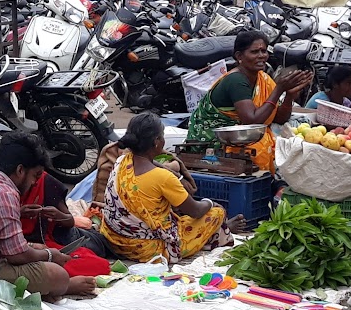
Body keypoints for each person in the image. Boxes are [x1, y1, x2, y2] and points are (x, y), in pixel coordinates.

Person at [0, 133, 102, 299]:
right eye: (36, 175)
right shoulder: (6, 194)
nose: (35, 183)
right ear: (20, 170)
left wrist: (36, 246)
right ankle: (65, 286)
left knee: (40, 249)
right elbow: (16, 255)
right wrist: (50, 255)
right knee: (58, 274)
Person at [100, 113, 238, 264]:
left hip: (116, 241)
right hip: (150, 251)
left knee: (174, 215)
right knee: (216, 213)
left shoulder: (121, 161)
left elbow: (151, 165)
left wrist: (171, 171)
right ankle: (219, 231)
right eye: (162, 136)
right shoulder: (163, 178)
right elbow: (196, 211)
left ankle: (217, 231)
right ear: (157, 142)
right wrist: (210, 203)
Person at [184, 29, 309, 172]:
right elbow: (252, 121)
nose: (261, 56)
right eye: (254, 52)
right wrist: (279, 89)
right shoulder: (235, 80)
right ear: (239, 56)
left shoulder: (263, 79)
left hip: (239, 139)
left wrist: (289, 97)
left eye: (264, 51)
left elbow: (279, 119)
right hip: (213, 143)